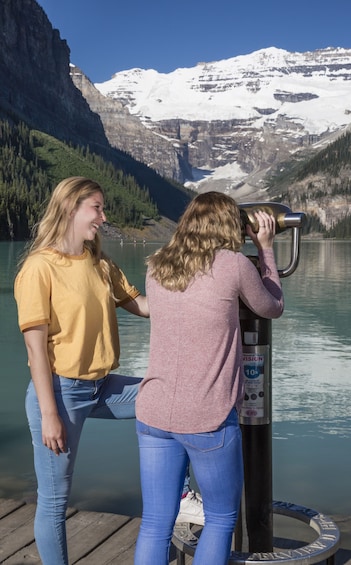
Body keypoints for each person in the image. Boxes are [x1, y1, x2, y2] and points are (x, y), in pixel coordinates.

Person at [13, 177, 202, 565]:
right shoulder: (39, 268)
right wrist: (50, 415)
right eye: (96, 208)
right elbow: (35, 352)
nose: (103, 216)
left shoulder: (100, 264)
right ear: (70, 208)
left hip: (102, 387)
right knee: (53, 501)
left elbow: (144, 306)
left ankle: (183, 497)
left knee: (174, 398)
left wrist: (196, 297)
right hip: (60, 393)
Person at [134, 191, 284, 565]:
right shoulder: (234, 265)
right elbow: (272, 306)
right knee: (220, 518)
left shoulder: (158, 266)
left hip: (152, 415)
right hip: (207, 419)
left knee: (155, 522)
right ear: (229, 226)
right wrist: (265, 247)